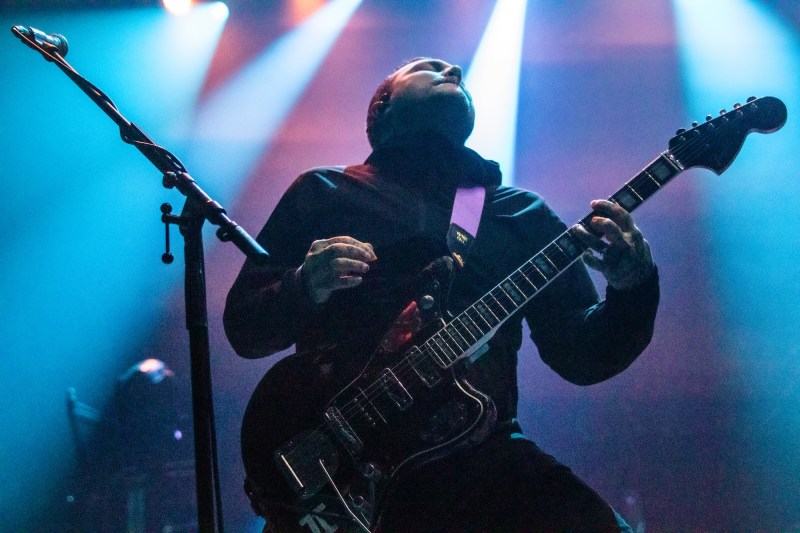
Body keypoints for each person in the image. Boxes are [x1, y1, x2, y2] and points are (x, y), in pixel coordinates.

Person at [224, 57, 659, 532]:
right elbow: (245, 328)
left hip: (482, 462)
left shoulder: (520, 214)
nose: (453, 69)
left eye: (456, 71)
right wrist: (304, 284)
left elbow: (581, 356)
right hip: (343, 476)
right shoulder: (323, 191)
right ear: (383, 104)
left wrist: (632, 287)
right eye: (429, 67)